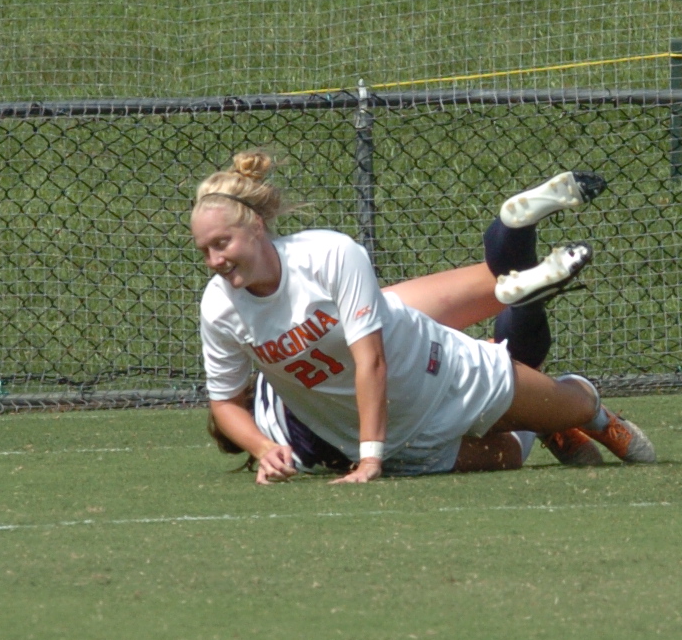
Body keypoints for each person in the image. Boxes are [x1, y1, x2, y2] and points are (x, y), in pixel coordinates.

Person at [193, 153, 656, 482]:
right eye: (204, 250)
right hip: (403, 435)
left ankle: (587, 416)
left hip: (439, 370)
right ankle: (514, 244)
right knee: (494, 281)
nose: (214, 260)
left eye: (221, 243)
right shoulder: (220, 308)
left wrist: (368, 458)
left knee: (568, 411)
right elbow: (223, 400)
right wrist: (264, 449)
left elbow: (371, 361)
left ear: (256, 225)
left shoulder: (326, 254)